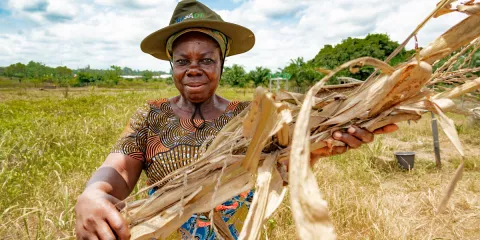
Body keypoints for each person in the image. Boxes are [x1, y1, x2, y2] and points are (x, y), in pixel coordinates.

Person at [74, 0, 398, 239]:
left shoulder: (252, 116)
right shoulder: (152, 115)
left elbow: (286, 164)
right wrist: (93, 194)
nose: (194, 68)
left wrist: (328, 142)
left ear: (222, 63)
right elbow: (118, 168)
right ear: (171, 65)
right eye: (182, 60)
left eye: (206, 59)